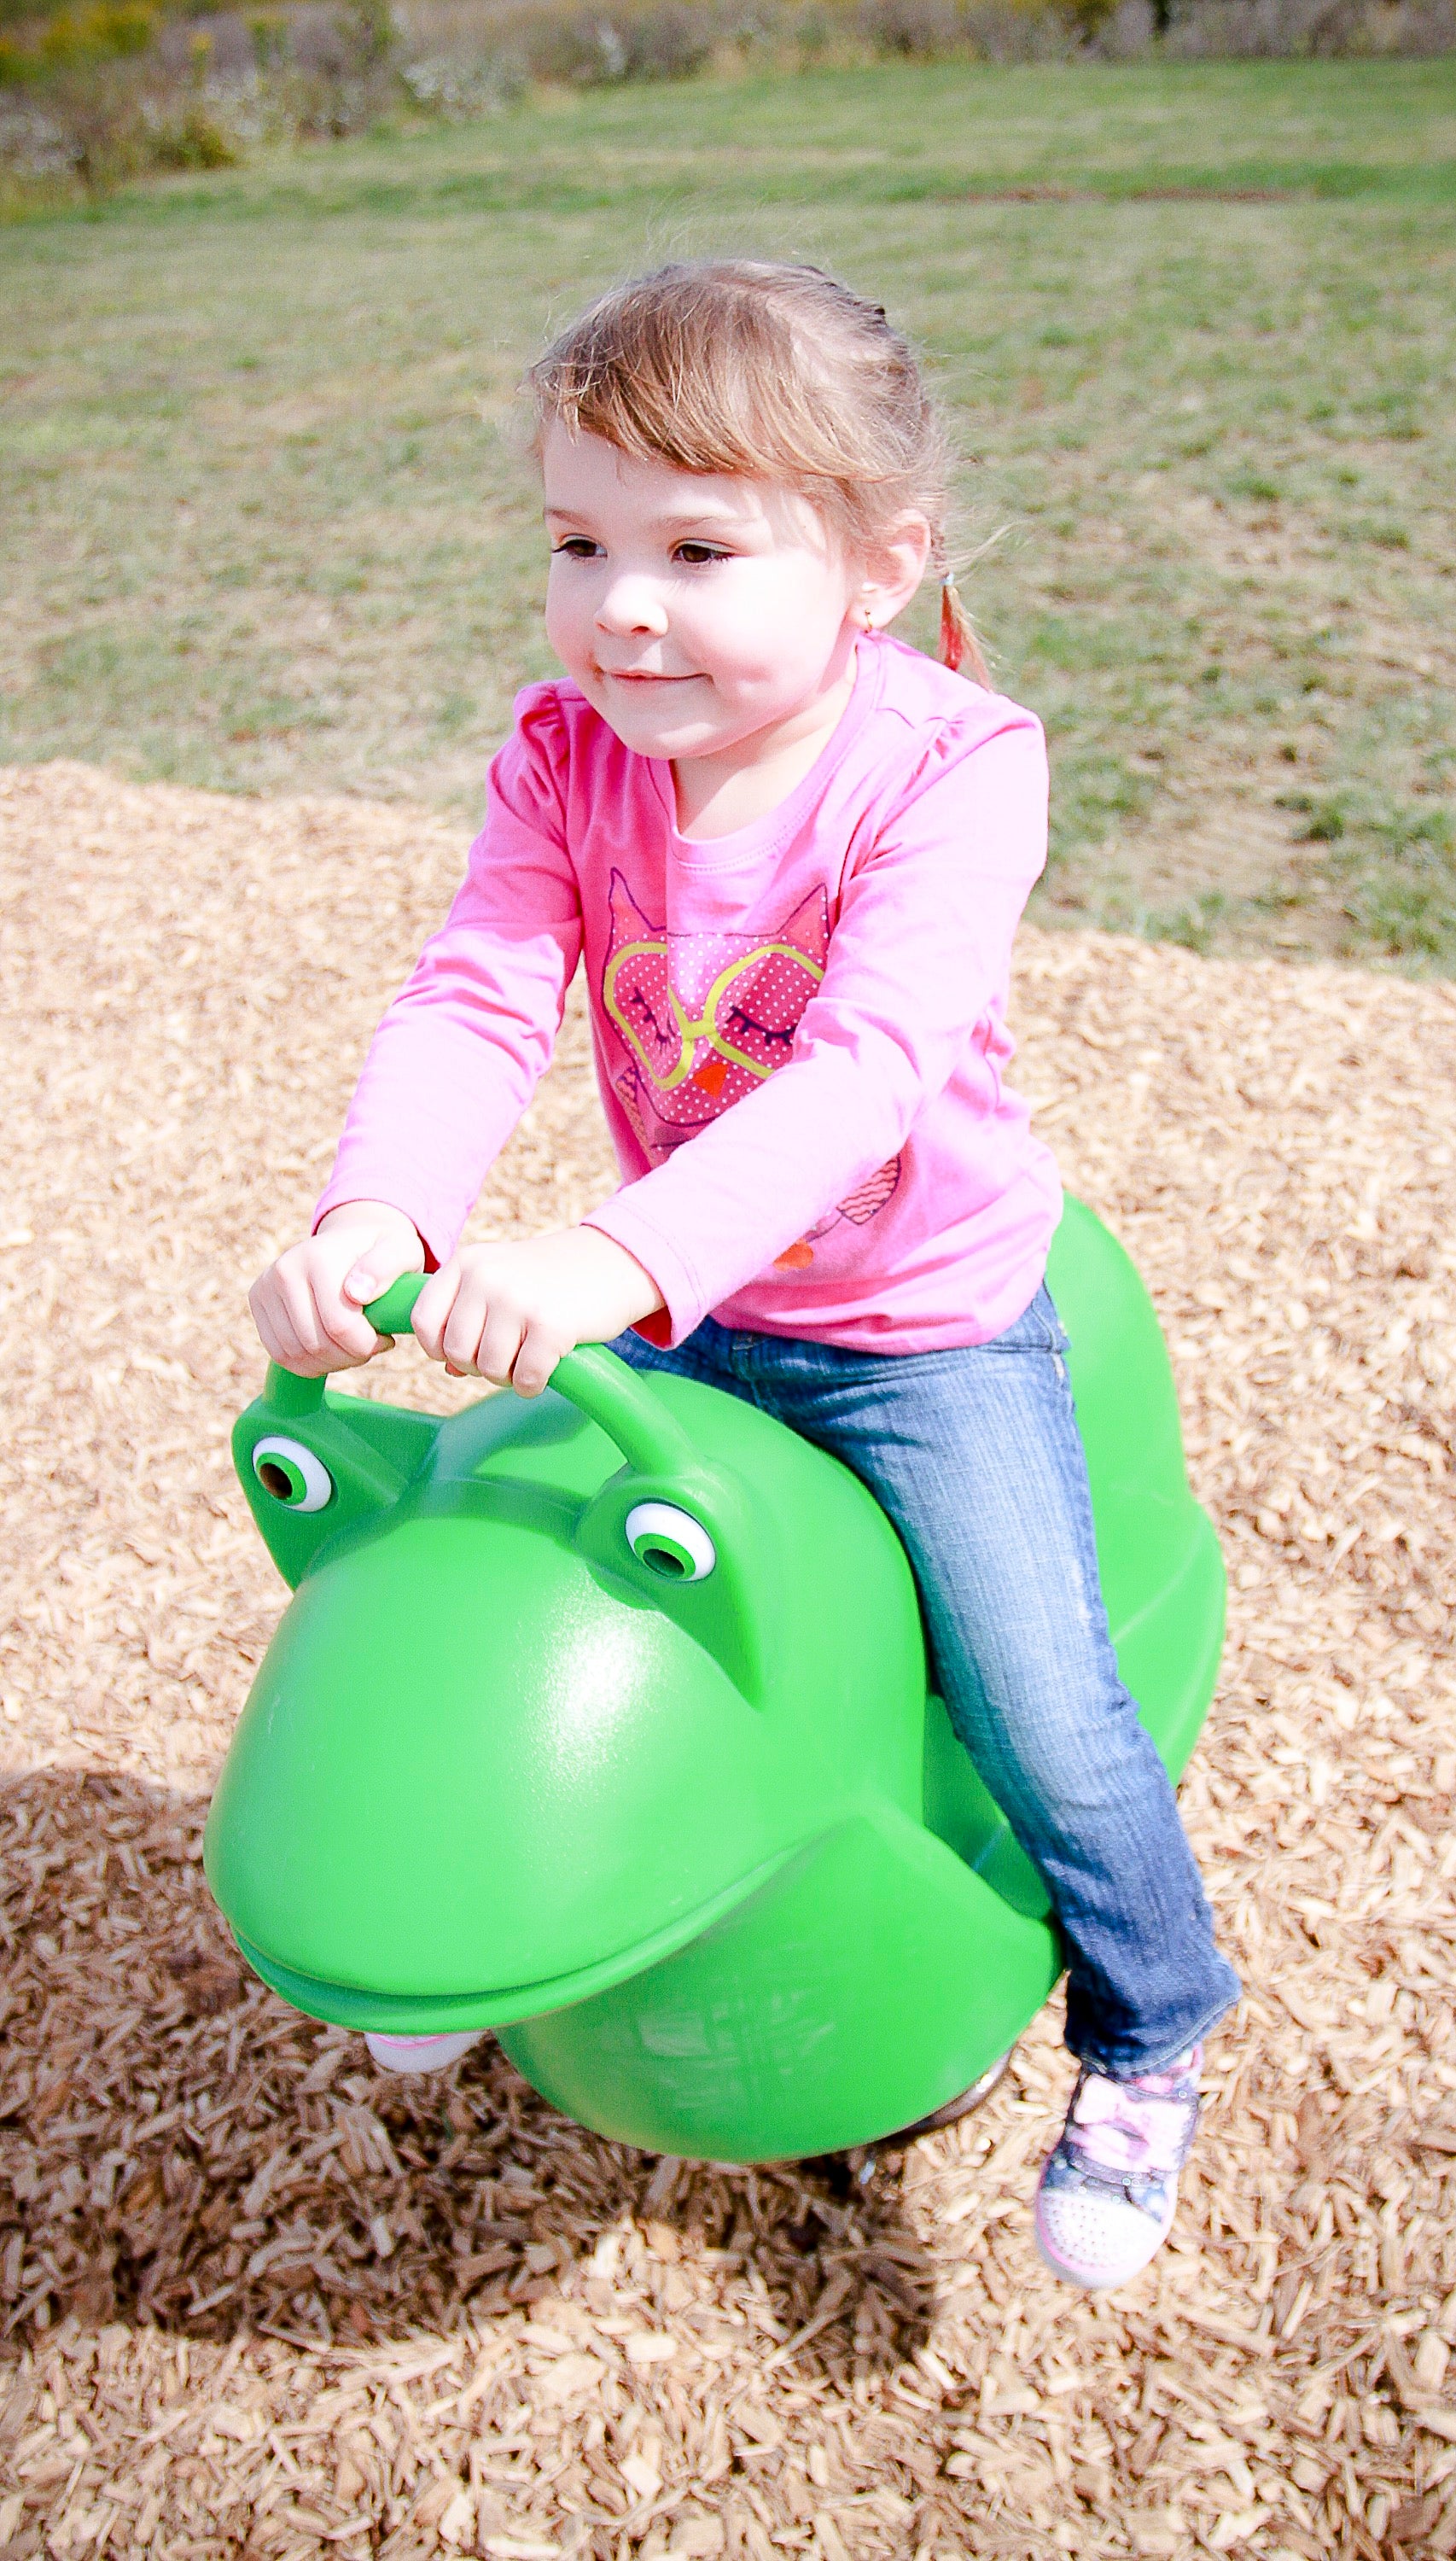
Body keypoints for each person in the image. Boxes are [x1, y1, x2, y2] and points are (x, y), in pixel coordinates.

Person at [248, 260, 1239, 2291]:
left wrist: (619, 1248)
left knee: (1043, 1697)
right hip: (691, 1320)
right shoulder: (565, 755)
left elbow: (869, 1073)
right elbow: (475, 991)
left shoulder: (954, 769)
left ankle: (1151, 2028)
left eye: (698, 550)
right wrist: (382, 1212)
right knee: (487, 1567)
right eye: (578, 540)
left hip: (909, 1325)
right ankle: (500, 1898)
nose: (624, 605)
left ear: (878, 560)